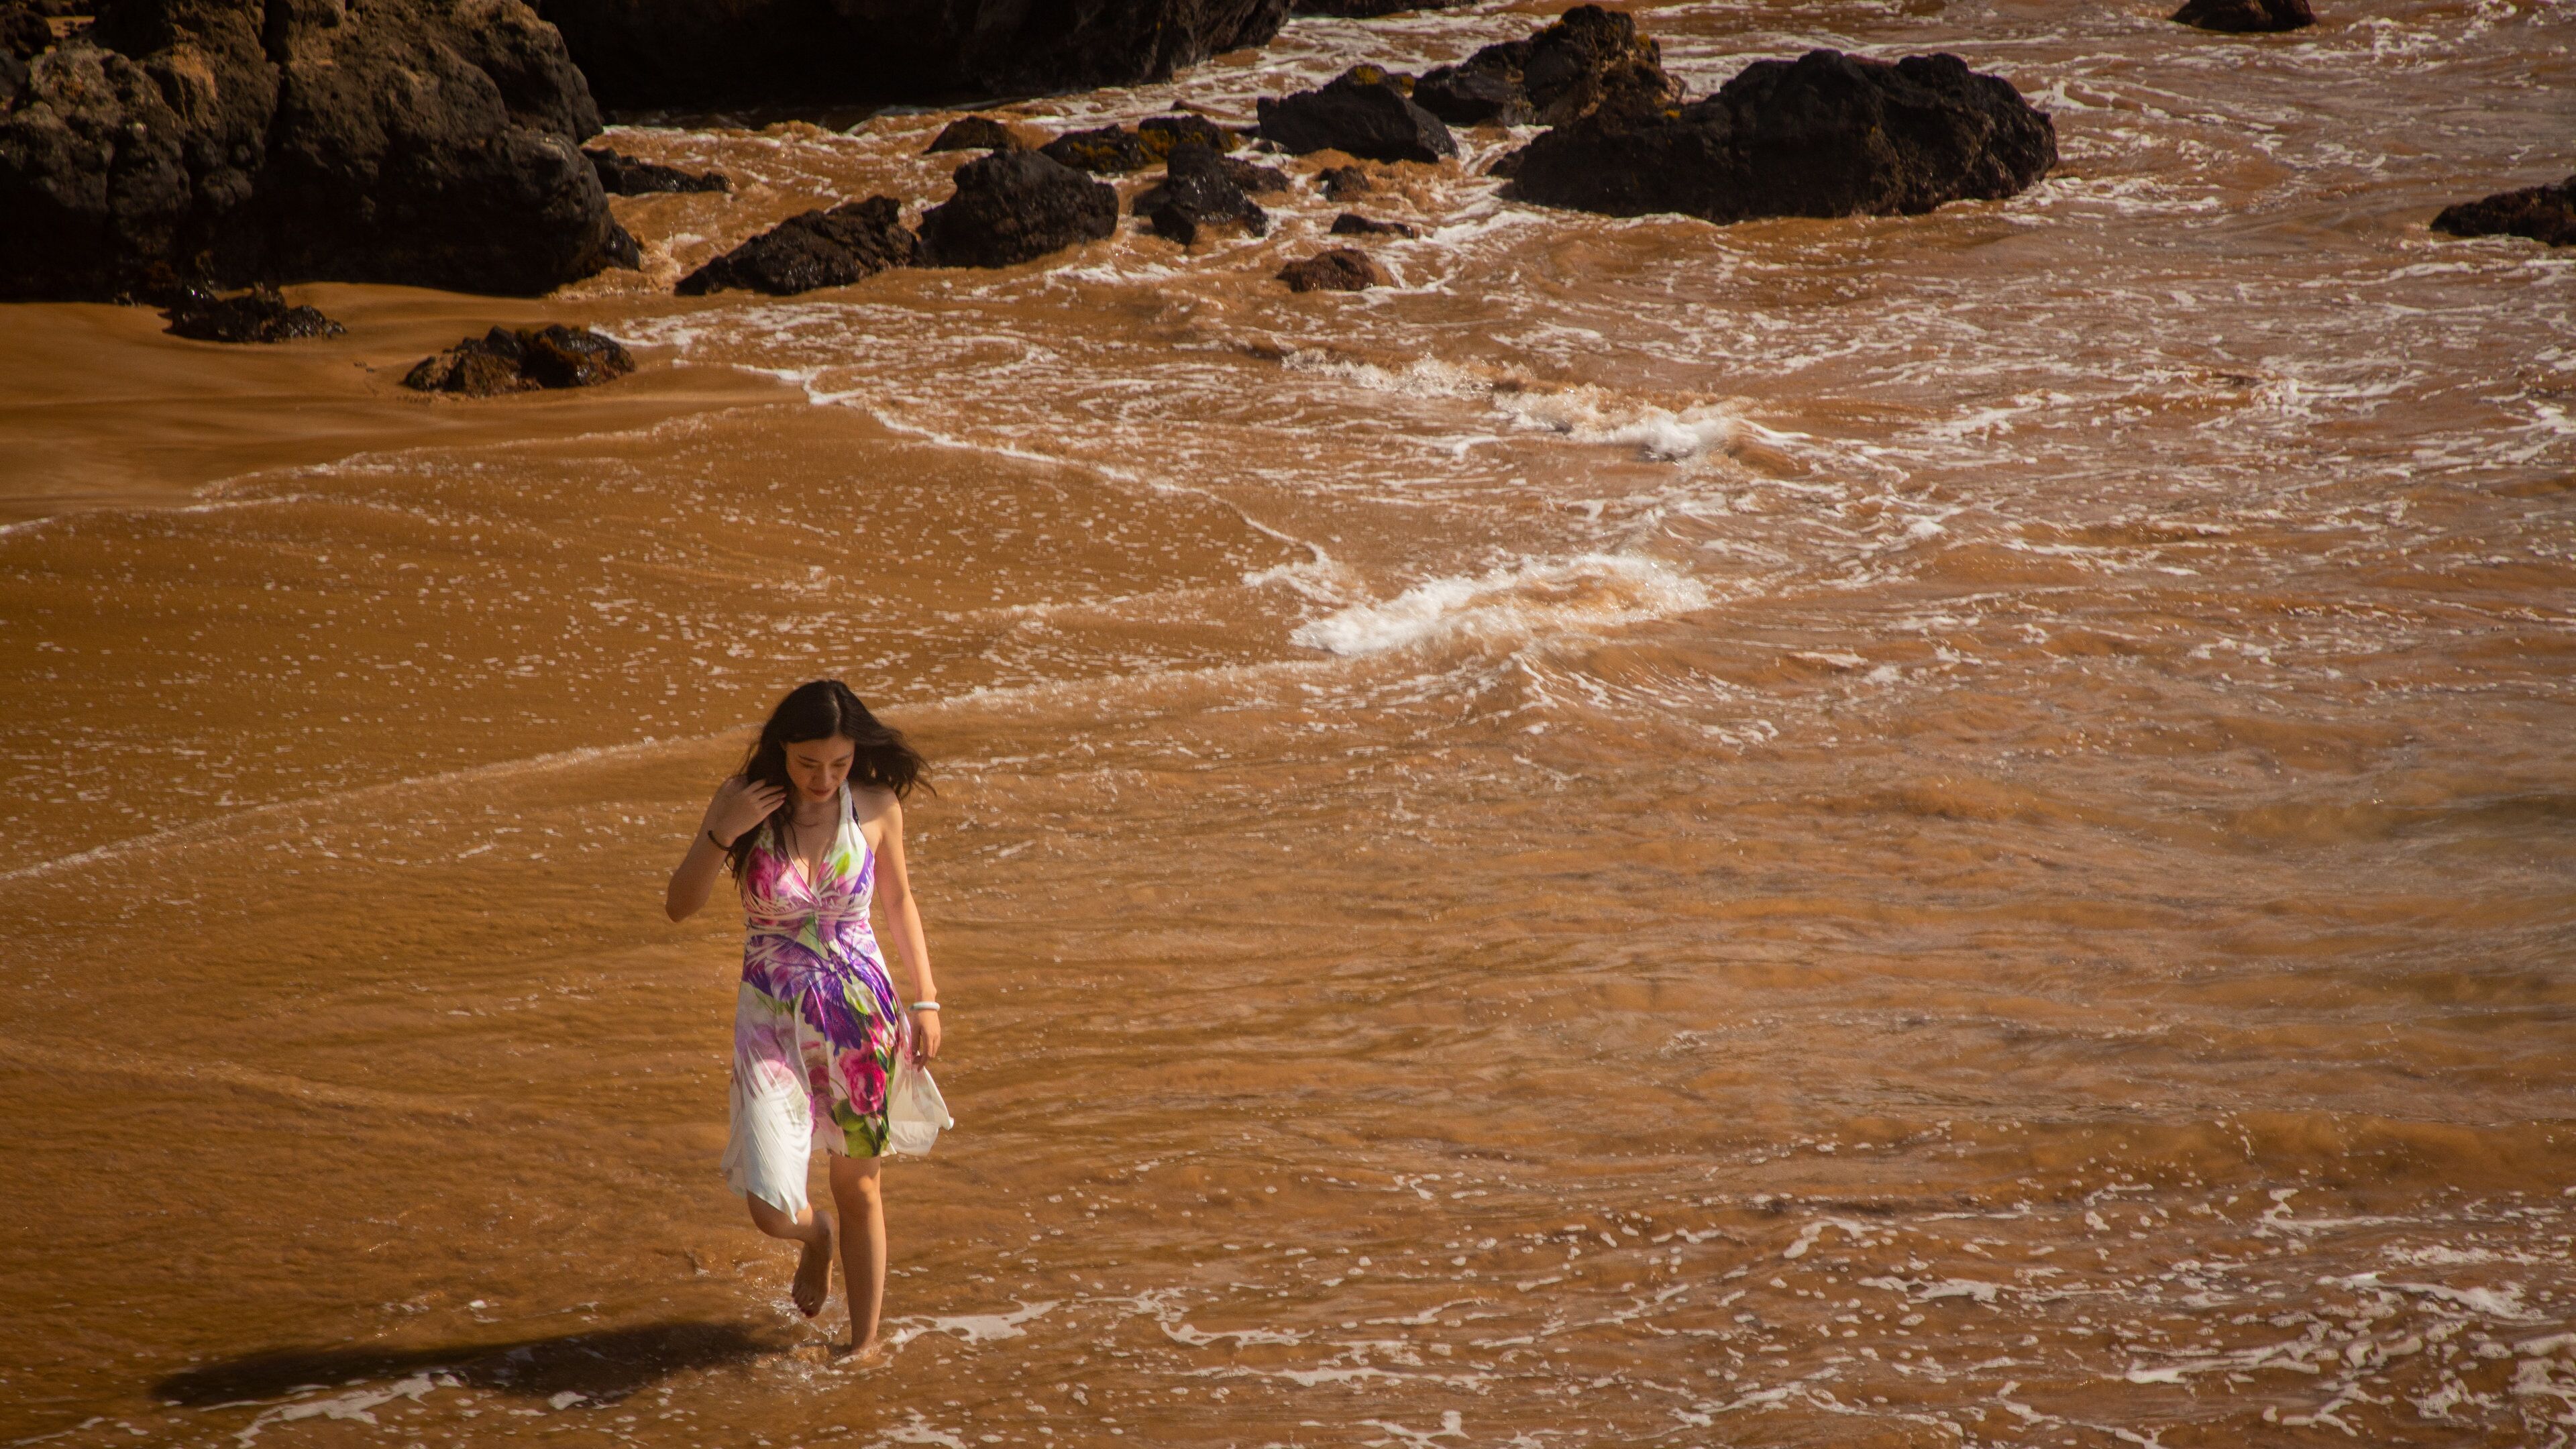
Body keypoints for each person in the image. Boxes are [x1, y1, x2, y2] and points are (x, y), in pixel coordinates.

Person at [664, 680, 942, 1361]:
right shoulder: (745, 806)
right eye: (808, 763)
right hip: (769, 1020)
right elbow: (680, 904)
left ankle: (864, 1344)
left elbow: (900, 902)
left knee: (861, 1186)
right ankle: (812, 1237)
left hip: (859, 1017)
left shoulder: (875, 806)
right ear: (782, 751)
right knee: (769, 1202)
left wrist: (927, 999)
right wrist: (718, 833)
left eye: (839, 764)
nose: (823, 779)